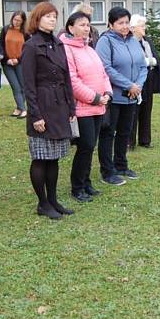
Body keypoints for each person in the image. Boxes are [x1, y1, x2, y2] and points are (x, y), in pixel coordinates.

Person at [21, 2, 76, 219]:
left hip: (60, 106)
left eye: (54, 16)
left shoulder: (58, 43)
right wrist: (35, 115)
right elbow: (28, 85)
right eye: (47, 16)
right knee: (41, 157)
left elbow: (67, 78)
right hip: (42, 106)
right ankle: (42, 203)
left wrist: (71, 105)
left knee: (54, 158)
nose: (52, 20)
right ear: (37, 19)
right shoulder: (31, 46)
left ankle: (53, 200)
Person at [60, 11, 112, 202]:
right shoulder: (66, 49)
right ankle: (77, 186)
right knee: (86, 146)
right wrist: (95, 98)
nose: (86, 28)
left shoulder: (90, 48)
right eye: (81, 24)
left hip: (99, 105)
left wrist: (107, 93)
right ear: (70, 28)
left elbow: (103, 74)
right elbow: (72, 82)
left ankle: (87, 182)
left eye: (88, 25)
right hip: (82, 108)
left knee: (91, 146)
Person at [95, 7, 147, 185]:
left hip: (131, 96)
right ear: (111, 24)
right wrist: (129, 85)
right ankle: (107, 171)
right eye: (120, 23)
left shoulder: (134, 41)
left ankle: (121, 165)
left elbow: (142, 65)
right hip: (114, 96)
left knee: (125, 132)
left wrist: (137, 86)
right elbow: (106, 68)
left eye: (127, 22)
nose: (124, 26)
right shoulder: (105, 41)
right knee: (108, 133)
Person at [128, 14, 160, 149]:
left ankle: (145, 140)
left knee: (146, 110)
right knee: (133, 111)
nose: (144, 28)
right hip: (134, 81)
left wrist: (151, 61)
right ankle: (129, 142)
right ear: (132, 28)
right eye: (142, 26)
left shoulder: (146, 41)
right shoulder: (128, 42)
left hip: (148, 81)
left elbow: (155, 58)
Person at [0, 11, 29, 118]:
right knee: (15, 87)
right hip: (7, 63)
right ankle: (23, 110)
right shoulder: (6, 29)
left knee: (23, 87)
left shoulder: (25, 33)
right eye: (15, 19)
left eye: (19, 21)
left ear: (23, 22)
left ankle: (19, 108)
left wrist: (18, 59)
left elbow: (27, 49)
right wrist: (7, 59)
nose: (16, 22)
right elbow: (1, 45)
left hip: (20, 63)